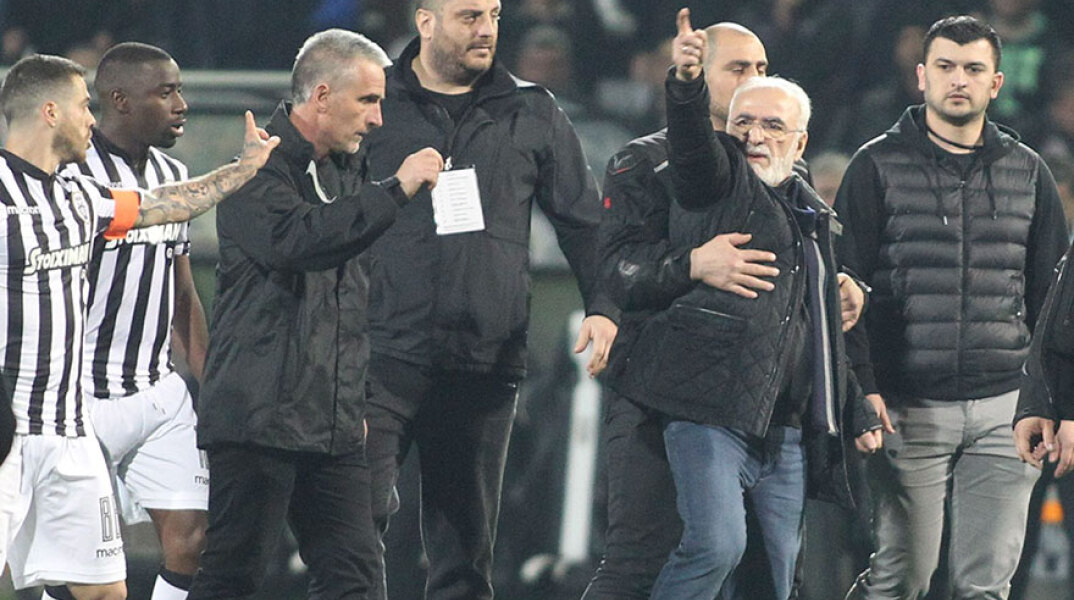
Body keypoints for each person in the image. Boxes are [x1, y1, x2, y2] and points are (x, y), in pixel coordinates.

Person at [602, 10, 879, 600]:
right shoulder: (665, 163)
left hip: (775, 412)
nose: (753, 82)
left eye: (761, 68)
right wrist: (692, 264)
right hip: (670, 395)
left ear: (798, 137)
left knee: (771, 576)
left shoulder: (796, 188)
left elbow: (806, 315)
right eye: (737, 70)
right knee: (649, 558)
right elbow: (618, 271)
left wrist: (843, 293)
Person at [359, 0, 619, 598]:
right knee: (356, 526)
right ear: (426, 22)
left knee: (464, 550)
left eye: (495, 15)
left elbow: (584, 223)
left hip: (483, 360)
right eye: (470, 16)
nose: (487, 30)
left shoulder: (532, 109)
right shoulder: (375, 101)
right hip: (378, 354)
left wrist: (604, 305)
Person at [0, 53, 277, 600]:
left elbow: (165, 205)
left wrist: (242, 170)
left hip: (69, 433)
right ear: (50, 112)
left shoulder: (79, 198)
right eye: (83, 106)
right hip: (10, 432)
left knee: (106, 591)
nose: (91, 117)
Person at [186, 29, 442, 599]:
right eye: (367, 100)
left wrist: (352, 398)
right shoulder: (256, 170)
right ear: (322, 96)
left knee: (356, 578)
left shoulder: (348, 170)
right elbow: (300, 241)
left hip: (334, 428)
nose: (377, 119)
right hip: (258, 417)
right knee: (233, 576)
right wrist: (395, 191)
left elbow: (349, 298)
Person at [837, 15, 1069, 600]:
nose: (958, 79)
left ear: (996, 83)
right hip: (906, 405)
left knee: (985, 587)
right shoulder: (873, 166)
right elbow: (843, 289)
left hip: (1007, 409)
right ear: (921, 76)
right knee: (900, 579)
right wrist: (863, 386)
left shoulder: (1030, 172)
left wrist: (1055, 401)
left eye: (972, 68)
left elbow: (1055, 303)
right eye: (945, 66)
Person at [55, 42, 208, 600]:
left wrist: (209, 382)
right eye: (165, 93)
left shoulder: (173, 172)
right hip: (80, 397)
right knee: (84, 567)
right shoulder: (70, 177)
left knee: (193, 543)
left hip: (156, 391)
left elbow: (182, 291)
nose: (181, 105)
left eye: (179, 90)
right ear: (119, 100)